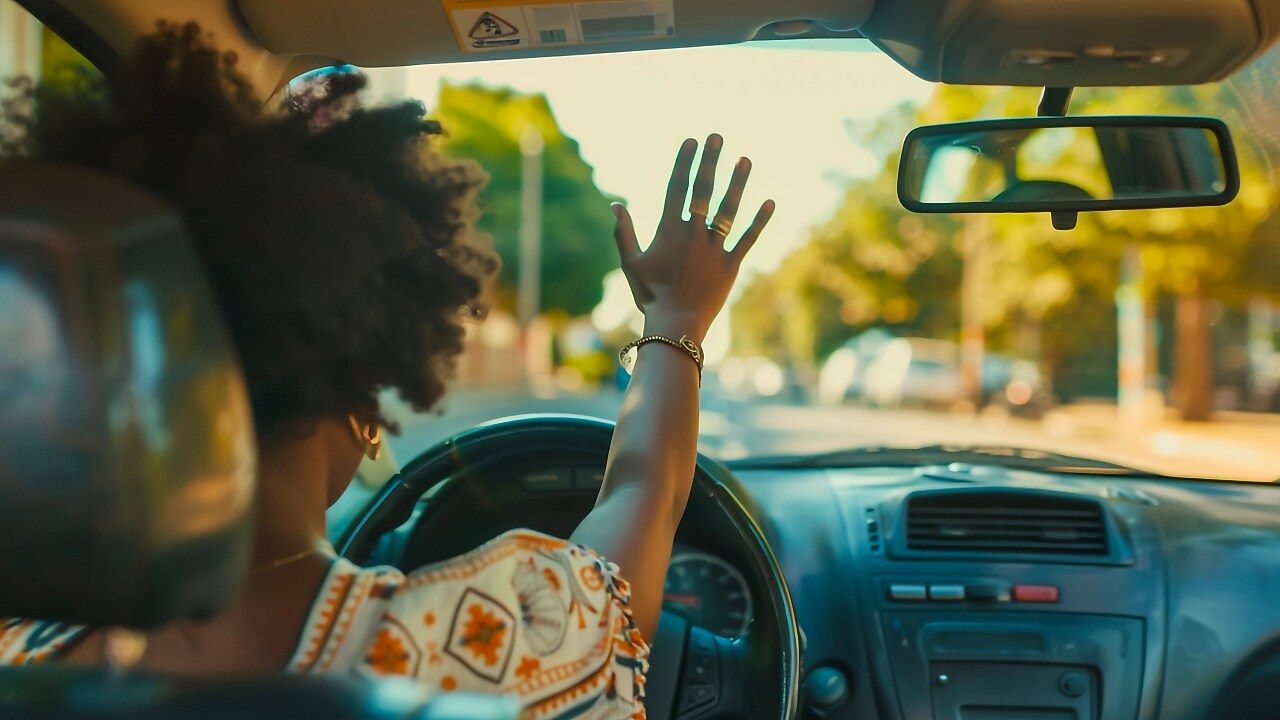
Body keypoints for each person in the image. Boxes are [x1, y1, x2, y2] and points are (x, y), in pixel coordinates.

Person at [0, 22, 774, 718]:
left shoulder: (18, 650)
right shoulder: (505, 642)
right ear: (361, 369)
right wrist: (676, 316)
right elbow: (648, 490)